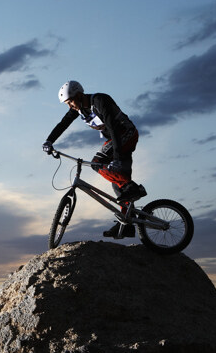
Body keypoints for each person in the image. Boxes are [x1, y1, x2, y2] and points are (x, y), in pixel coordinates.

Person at [42, 80, 146, 238]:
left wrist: (116, 157)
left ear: (79, 95)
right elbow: (63, 123)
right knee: (119, 184)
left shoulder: (100, 100)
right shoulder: (79, 109)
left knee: (97, 163)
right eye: (66, 103)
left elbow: (112, 127)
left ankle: (132, 187)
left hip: (125, 133)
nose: (69, 106)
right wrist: (49, 141)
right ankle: (127, 224)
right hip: (116, 140)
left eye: (70, 101)